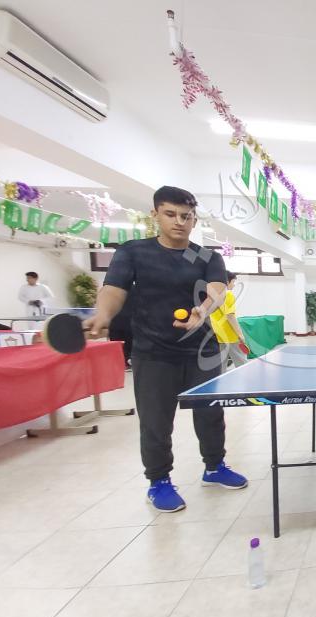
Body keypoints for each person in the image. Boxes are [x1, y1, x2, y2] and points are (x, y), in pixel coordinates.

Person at [83, 186, 248, 513]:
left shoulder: (206, 257)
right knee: (156, 421)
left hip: (201, 350)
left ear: (194, 219)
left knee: (211, 413)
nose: (179, 222)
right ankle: (158, 481)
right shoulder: (133, 252)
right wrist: (103, 315)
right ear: (155, 215)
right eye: (170, 214)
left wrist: (202, 310)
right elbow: (113, 290)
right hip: (153, 351)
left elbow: (216, 290)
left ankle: (215, 467)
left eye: (186, 216)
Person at [209, 272, 250, 372]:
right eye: (233, 282)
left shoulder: (212, 295)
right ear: (227, 282)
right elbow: (230, 316)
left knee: (221, 366)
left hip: (217, 335)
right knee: (242, 363)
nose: (234, 285)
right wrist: (240, 335)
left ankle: (219, 382)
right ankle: (248, 381)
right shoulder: (228, 294)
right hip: (230, 335)